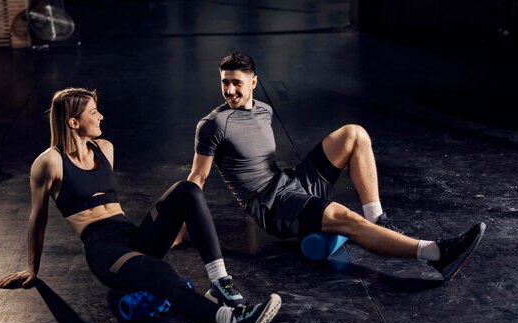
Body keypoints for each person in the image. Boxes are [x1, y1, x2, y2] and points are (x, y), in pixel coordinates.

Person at [0, 87, 281, 323]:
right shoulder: (49, 162)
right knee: (163, 274)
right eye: (93, 112)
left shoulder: (105, 148)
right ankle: (237, 321)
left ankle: (220, 282)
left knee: (187, 190)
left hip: (132, 235)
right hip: (105, 251)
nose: (101, 116)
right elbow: (38, 217)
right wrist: (32, 269)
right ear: (73, 122)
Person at [181, 52, 485, 283]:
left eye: (237, 82)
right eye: (225, 82)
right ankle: (437, 254)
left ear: (253, 82)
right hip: (271, 206)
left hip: (291, 183)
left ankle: (377, 219)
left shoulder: (264, 110)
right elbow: (197, 179)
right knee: (343, 216)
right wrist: (179, 227)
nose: (231, 90)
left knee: (354, 134)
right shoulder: (213, 125)